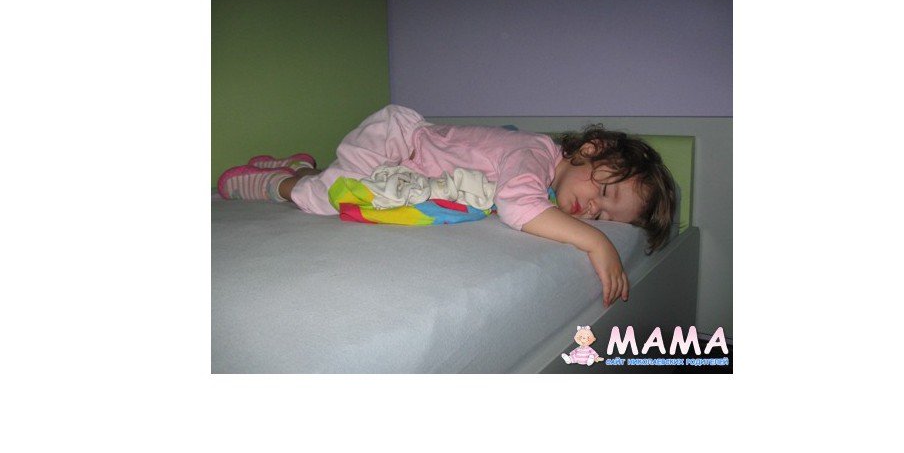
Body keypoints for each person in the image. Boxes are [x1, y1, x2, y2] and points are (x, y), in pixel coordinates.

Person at [217, 104, 676, 308]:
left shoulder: (544, 174)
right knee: (326, 197)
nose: (592, 210)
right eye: (604, 193)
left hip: (407, 168)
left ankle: (298, 165)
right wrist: (596, 242)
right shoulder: (534, 153)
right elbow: (517, 206)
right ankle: (274, 183)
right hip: (395, 143)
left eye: (604, 217)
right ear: (591, 149)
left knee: (341, 185)